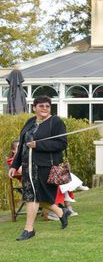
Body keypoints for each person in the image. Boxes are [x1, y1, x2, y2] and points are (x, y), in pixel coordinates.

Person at [8, 95, 72, 241]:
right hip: (27, 166)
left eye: (47, 106)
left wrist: (39, 145)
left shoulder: (55, 122)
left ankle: (29, 229)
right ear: (34, 108)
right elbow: (22, 146)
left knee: (34, 196)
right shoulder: (30, 122)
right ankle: (61, 212)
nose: (44, 109)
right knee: (33, 195)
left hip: (45, 166)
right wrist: (14, 165)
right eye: (41, 106)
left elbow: (62, 144)